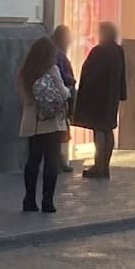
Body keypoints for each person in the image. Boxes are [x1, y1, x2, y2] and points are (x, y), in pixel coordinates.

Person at [17, 36, 69, 213]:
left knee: (33, 160)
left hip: (32, 122)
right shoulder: (52, 69)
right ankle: (48, 202)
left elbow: (24, 95)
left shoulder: (25, 72)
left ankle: (29, 200)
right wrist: (67, 91)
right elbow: (63, 93)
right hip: (51, 122)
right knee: (51, 162)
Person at [72, 22, 127, 179]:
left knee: (99, 130)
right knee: (108, 130)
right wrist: (122, 94)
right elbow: (122, 75)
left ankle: (99, 166)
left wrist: (84, 95)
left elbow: (89, 74)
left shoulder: (99, 51)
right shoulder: (118, 51)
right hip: (111, 98)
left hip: (98, 98)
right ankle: (105, 165)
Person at [52, 25, 77, 173]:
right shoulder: (59, 55)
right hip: (61, 96)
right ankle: (60, 159)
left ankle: (59, 158)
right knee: (61, 129)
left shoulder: (56, 52)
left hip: (57, 95)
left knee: (60, 128)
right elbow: (64, 76)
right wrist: (71, 84)